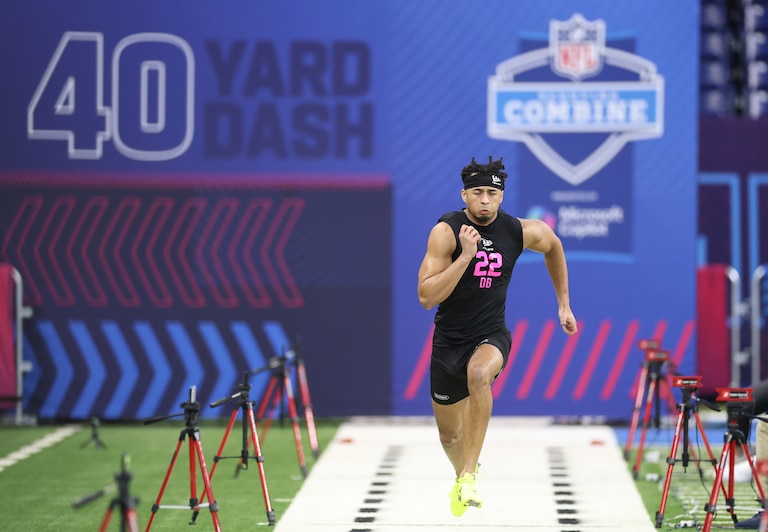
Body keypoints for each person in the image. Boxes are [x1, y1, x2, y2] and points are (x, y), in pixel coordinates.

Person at [416, 155, 578, 517]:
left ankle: (469, 475)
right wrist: (465, 257)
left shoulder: (517, 230)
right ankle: (463, 476)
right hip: (449, 342)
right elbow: (426, 297)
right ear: (464, 195)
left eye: (492, 193)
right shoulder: (446, 231)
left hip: (490, 335)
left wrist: (564, 304)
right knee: (449, 436)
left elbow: (553, 245)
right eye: (477, 193)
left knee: (479, 375)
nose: (485, 200)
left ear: (502, 196)